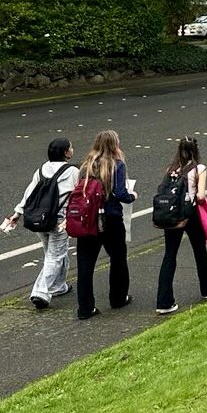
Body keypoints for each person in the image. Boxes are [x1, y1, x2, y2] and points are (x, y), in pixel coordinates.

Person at [2, 138, 80, 309]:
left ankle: (59, 286)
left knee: (53, 254)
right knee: (56, 256)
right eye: (70, 147)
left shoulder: (42, 169)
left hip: (39, 217)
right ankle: (41, 292)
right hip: (60, 219)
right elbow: (78, 193)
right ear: (66, 152)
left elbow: (29, 192)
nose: (72, 149)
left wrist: (17, 213)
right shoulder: (72, 171)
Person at [75, 130, 137, 320]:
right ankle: (118, 297)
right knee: (118, 259)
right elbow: (119, 193)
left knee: (85, 264)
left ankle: (85, 307)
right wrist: (132, 196)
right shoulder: (117, 165)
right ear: (115, 145)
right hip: (110, 218)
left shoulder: (86, 165)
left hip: (88, 218)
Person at [155, 138, 207, 314]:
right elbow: (200, 196)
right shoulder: (199, 169)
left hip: (172, 216)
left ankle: (164, 301)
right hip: (190, 215)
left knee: (170, 255)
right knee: (199, 251)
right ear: (196, 150)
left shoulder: (171, 169)